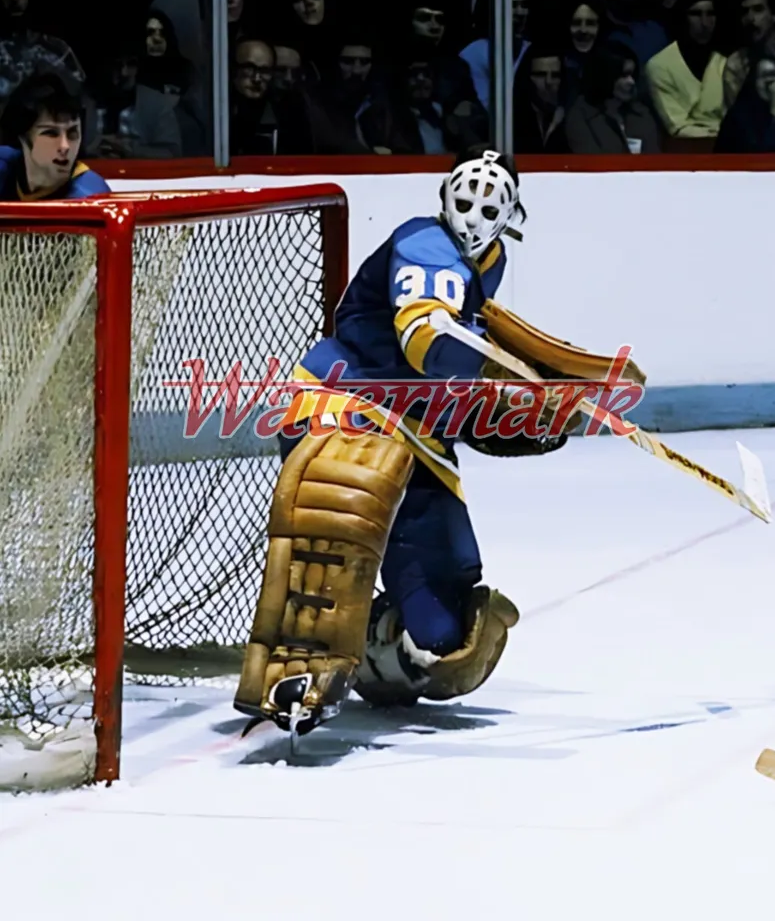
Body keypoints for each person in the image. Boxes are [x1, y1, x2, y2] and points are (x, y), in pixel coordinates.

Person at [234, 148, 628, 736]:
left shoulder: (487, 260)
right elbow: (428, 342)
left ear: (512, 213)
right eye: (465, 199)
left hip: (417, 430)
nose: (473, 215)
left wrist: (520, 409)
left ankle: (370, 642)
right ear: (444, 197)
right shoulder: (423, 244)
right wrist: (502, 393)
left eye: (490, 204)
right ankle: (299, 666)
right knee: (334, 537)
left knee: (446, 633)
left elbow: (454, 370)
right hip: (344, 406)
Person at [0, 72, 109, 201]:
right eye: (51, 133)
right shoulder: (5, 165)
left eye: (72, 133)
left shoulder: (89, 195)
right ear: (23, 136)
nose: (65, 146)